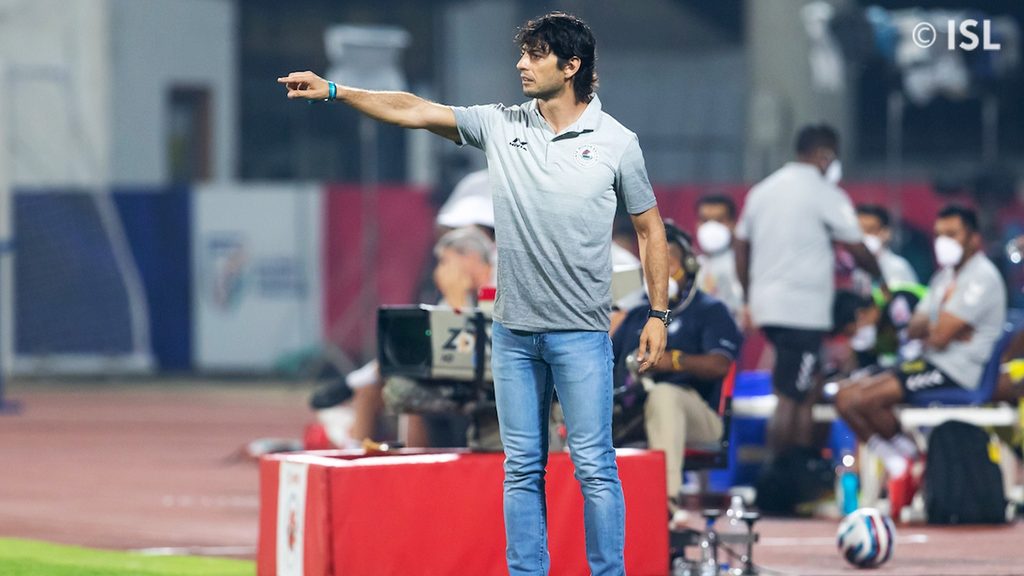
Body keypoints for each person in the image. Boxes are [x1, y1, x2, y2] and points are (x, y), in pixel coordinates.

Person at [279, 12, 669, 575]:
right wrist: (338, 91)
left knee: (594, 468)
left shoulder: (617, 143)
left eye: (535, 54)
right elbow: (414, 109)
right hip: (512, 335)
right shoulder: (499, 125)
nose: (521, 64)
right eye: (523, 53)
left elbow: (650, 229)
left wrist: (658, 313)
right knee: (522, 469)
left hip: (582, 335)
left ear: (571, 65)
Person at [834, 205, 1007, 516]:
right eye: (939, 234)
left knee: (864, 399)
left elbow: (937, 336)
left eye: (952, 234)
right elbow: (914, 327)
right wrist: (945, 329)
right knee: (845, 397)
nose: (944, 241)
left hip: (959, 371)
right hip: (931, 362)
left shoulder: (982, 276)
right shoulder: (944, 277)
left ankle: (906, 459)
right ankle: (902, 458)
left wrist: (938, 330)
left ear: (973, 239)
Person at [734, 124, 886, 453]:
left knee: (803, 388)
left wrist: (749, 295)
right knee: (793, 396)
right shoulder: (824, 193)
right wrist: (880, 276)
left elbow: (741, 245)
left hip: (769, 308)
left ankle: (797, 464)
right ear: (823, 155)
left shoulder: (763, 190)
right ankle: (784, 470)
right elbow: (856, 246)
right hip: (801, 312)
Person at [611, 222, 742, 525]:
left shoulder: (710, 310)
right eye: (654, 262)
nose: (662, 269)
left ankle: (666, 503)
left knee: (665, 395)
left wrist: (674, 361)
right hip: (635, 413)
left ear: (689, 265)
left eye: (668, 259)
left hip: (699, 417)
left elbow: (720, 365)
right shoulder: (635, 315)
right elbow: (608, 364)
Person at [695, 194, 744, 321]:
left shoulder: (742, 265)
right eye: (705, 220)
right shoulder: (694, 265)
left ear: (733, 224)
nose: (711, 228)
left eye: (719, 220)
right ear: (697, 224)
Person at [853, 204, 918, 292]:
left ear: (886, 233)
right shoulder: (850, 267)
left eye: (870, 230)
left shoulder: (898, 268)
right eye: (859, 230)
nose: (864, 236)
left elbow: (905, 298)